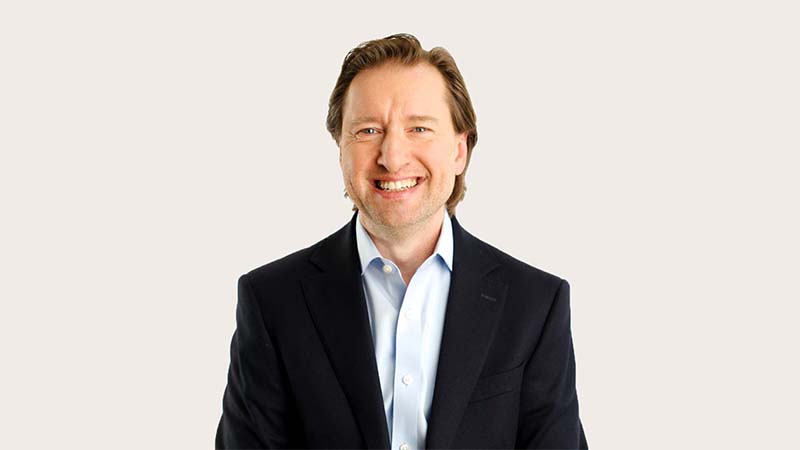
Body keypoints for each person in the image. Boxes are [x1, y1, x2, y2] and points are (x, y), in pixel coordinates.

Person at [216, 33, 588, 450]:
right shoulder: (271, 301)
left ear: (460, 150)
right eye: (368, 130)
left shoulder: (535, 304)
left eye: (419, 128)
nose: (392, 157)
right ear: (340, 150)